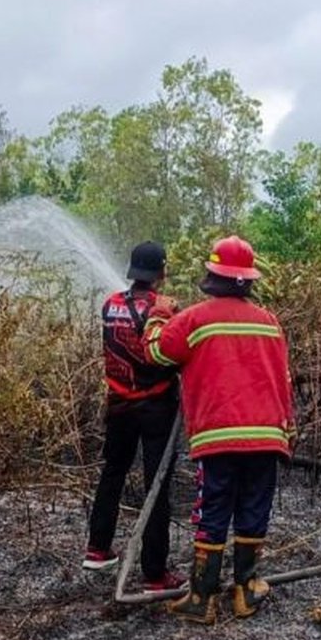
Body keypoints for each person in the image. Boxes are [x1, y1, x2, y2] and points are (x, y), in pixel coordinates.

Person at [143, 235, 295, 624]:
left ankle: (202, 597)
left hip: (219, 437)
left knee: (214, 511)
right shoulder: (269, 322)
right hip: (266, 434)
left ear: (211, 275)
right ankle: (246, 590)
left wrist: (159, 315)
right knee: (253, 508)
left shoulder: (195, 318)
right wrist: (286, 426)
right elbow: (283, 379)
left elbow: (157, 352)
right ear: (249, 279)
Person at [82, 241, 185, 592]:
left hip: (118, 405)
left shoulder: (110, 305)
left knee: (112, 472)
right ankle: (156, 573)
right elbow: (164, 354)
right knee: (156, 485)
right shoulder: (162, 308)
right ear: (162, 272)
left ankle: (97, 548)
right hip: (156, 407)